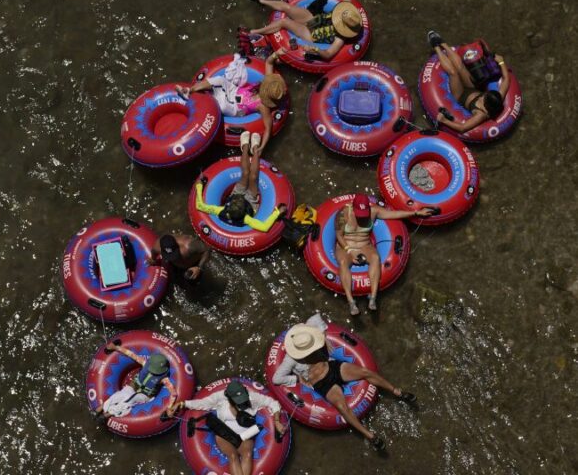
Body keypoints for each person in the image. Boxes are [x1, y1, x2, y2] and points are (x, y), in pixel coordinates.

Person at [272, 316, 416, 451]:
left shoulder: (312, 336)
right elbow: (276, 379)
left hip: (332, 367)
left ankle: (398, 391)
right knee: (342, 407)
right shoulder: (290, 359)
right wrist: (298, 379)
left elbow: (316, 317)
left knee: (366, 373)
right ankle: (370, 436)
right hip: (322, 383)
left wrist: (324, 336)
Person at [336, 193, 434, 315]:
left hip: (364, 245)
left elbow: (394, 214)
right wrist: (349, 250)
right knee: (343, 262)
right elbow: (339, 235)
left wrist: (416, 213)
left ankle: (372, 297)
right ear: (353, 208)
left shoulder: (374, 211)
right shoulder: (343, 213)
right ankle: (351, 302)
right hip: (345, 246)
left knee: (376, 258)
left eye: (364, 213)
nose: (362, 216)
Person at [177, 51, 287, 154]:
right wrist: (276, 53)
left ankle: (202, 104)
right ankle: (189, 90)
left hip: (235, 108)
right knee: (220, 79)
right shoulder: (266, 81)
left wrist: (262, 147)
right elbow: (268, 62)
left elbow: (268, 127)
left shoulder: (263, 107)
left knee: (223, 106)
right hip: (233, 90)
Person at [167, 380, 286, 475]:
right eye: (238, 401)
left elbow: (273, 403)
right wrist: (181, 404)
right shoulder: (220, 398)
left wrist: (276, 421)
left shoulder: (252, 398)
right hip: (224, 434)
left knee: (248, 454)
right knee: (233, 456)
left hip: (246, 435)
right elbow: (202, 403)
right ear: (229, 397)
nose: (241, 403)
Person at [247, 0, 362, 61]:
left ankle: (254, 32)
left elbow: (328, 54)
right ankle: (262, 1)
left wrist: (316, 49)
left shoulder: (340, 38)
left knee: (284, 22)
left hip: (311, 34)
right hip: (314, 20)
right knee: (287, 7)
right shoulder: (346, 10)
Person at [194, 132, 287, 233]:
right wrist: (276, 213)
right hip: (250, 202)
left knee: (245, 173)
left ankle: (245, 147)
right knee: (253, 177)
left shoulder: (220, 210)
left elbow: (200, 206)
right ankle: (256, 149)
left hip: (235, 194)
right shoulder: (246, 218)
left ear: (228, 206)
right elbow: (264, 227)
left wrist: (199, 186)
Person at [427, 31, 511, 133]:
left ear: (487, 104)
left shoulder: (481, 115)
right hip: (471, 88)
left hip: (460, 95)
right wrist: (501, 62)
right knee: (460, 67)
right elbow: (506, 79)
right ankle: (442, 43)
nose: (483, 95)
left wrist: (444, 121)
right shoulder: (498, 98)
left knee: (453, 73)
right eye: (486, 94)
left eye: (485, 97)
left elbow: (463, 128)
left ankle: (436, 47)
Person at [94, 342, 176, 419]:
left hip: (146, 394)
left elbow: (173, 394)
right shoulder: (144, 363)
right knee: (122, 393)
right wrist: (115, 347)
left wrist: (169, 408)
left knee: (131, 398)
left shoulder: (164, 379)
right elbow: (131, 354)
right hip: (135, 384)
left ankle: (109, 413)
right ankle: (101, 408)